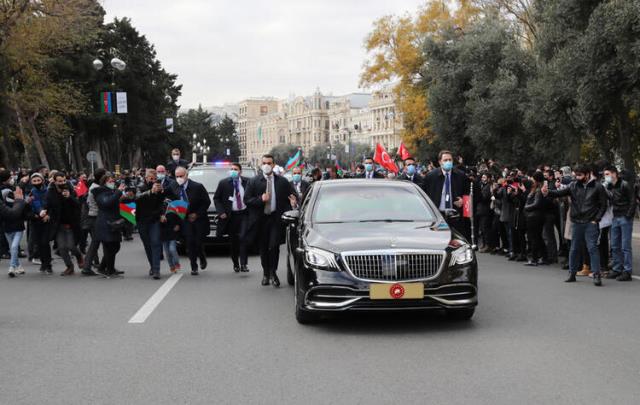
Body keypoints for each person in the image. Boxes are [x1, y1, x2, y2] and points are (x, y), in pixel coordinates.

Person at [542, 164, 608, 286]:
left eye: (580, 175)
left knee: (592, 248)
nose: (577, 177)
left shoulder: (598, 187)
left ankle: (596, 275)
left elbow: (603, 205)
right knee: (574, 248)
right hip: (576, 222)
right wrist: (547, 192)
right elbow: (559, 193)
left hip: (590, 223)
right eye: (576, 175)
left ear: (587, 174)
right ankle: (572, 273)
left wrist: (596, 219)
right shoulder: (573, 185)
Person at [244, 154, 297, 287]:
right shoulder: (254, 181)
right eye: (264, 163)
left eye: (269, 163)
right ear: (261, 165)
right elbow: (247, 200)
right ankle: (266, 273)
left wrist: (293, 203)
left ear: (274, 165)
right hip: (260, 219)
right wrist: (260, 200)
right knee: (263, 247)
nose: (266, 165)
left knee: (274, 246)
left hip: (275, 219)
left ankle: (274, 273)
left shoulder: (282, 182)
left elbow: (292, 197)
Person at [423, 150, 471, 241]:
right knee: (438, 240)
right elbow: (424, 195)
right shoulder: (431, 176)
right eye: (445, 160)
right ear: (440, 162)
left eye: (450, 160)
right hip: (438, 216)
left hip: (456, 216)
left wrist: (463, 201)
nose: (448, 162)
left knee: (457, 241)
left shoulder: (461, 175)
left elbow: (468, 194)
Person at [214, 162, 250, 273]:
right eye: (232, 169)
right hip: (231, 216)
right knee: (234, 241)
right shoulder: (223, 183)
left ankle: (244, 264)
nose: (233, 171)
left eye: (236, 169)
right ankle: (236, 263)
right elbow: (217, 198)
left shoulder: (247, 182)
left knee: (243, 238)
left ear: (240, 171)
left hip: (244, 214)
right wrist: (221, 212)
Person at [175, 167, 211, 275]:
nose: (179, 178)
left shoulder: (197, 187)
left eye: (181, 176)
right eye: (177, 176)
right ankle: (194, 266)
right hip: (185, 220)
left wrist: (197, 214)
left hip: (198, 219)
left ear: (186, 175)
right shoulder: (174, 187)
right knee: (190, 243)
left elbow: (206, 202)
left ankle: (202, 256)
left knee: (198, 242)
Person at [46, 172, 84, 276]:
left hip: (71, 224)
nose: (62, 183)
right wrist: (45, 213)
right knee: (62, 247)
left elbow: (78, 205)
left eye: (63, 180)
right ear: (54, 181)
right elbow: (48, 205)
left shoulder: (70, 189)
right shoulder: (50, 192)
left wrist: (69, 197)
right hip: (58, 224)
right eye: (59, 181)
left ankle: (79, 256)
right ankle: (69, 267)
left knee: (71, 246)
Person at [604, 166, 636, 281]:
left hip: (624, 217)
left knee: (625, 246)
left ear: (614, 173)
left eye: (607, 174)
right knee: (615, 245)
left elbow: (633, 200)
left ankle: (627, 271)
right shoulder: (610, 186)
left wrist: (628, 215)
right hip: (615, 217)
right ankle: (617, 268)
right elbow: (610, 198)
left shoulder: (625, 184)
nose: (605, 176)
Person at [92, 173, 126, 278]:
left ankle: (103, 268)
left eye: (113, 181)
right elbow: (107, 203)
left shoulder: (110, 191)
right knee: (109, 247)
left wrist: (123, 196)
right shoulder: (100, 192)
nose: (112, 182)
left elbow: (114, 202)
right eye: (110, 181)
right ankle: (109, 270)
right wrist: (118, 192)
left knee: (115, 246)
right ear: (104, 182)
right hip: (105, 224)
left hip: (113, 223)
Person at [136, 169, 166, 280]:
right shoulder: (140, 186)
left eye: (154, 178)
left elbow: (162, 203)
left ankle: (156, 270)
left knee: (156, 243)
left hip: (154, 220)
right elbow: (137, 198)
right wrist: (150, 192)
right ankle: (153, 266)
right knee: (147, 245)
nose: (152, 180)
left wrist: (162, 213)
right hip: (142, 221)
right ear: (146, 178)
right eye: (150, 178)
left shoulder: (159, 188)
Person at [0, 170, 27, 278]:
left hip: (16, 224)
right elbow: (15, 208)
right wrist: (22, 201)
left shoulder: (10, 189)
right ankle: (18, 266)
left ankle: (12, 267)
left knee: (14, 246)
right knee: (13, 247)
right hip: (8, 224)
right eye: (10, 177)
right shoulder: (8, 191)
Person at [80, 169, 106, 276]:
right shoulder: (96, 188)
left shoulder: (95, 187)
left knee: (97, 242)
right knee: (97, 242)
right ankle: (89, 266)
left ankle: (104, 265)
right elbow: (103, 203)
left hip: (95, 217)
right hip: (96, 217)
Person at [523, 172, 546, 266]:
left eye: (533, 179)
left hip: (535, 217)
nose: (531, 180)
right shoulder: (535, 189)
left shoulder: (538, 191)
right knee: (536, 237)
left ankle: (535, 258)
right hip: (532, 216)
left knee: (534, 238)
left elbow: (537, 204)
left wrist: (526, 207)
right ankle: (541, 257)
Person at [160, 201, 182, 274]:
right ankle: (172, 266)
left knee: (172, 249)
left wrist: (178, 225)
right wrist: (161, 218)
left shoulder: (173, 208)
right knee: (167, 253)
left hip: (172, 232)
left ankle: (177, 263)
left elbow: (179, 217)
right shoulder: (159, 210)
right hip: (163, 233)